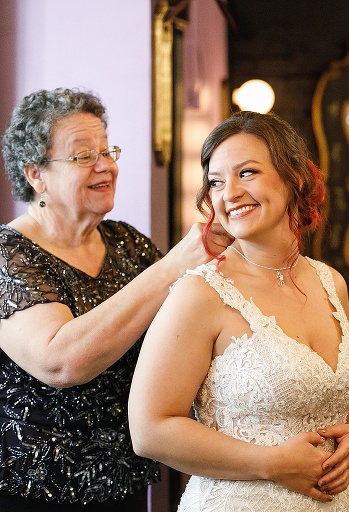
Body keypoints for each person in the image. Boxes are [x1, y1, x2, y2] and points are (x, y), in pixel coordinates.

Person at [128, 111, 349, 511]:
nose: (230, 193)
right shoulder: (201, 292)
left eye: (247, 173)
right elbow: (149, 430)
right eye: (216, 182)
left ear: (294, 176)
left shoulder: (331, 283)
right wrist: (270, 463)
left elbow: (337, 391)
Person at [0, 88, 232, 511]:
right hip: (35, 493)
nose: (106, 166)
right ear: (36, 174)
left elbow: (185, 334)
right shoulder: (7, 254)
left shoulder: (127, 244)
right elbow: (60, 361)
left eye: (108, 152)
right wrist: (173, 265)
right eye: (83, 156)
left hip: (122, 482)